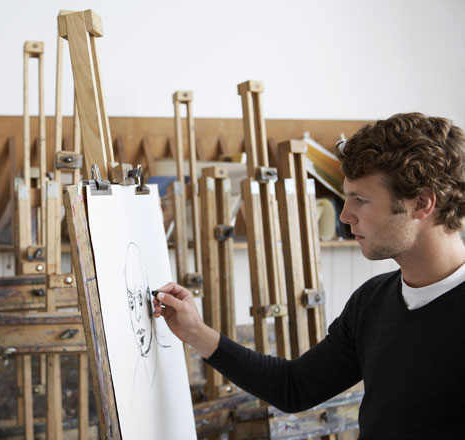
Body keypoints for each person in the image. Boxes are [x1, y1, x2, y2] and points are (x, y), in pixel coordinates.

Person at [153, 112, 465, 439]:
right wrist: (195, 331)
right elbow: (294, 387)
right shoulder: (373, 301)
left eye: (361, 200)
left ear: (422, 203)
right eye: (347, 198)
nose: (345, 216)